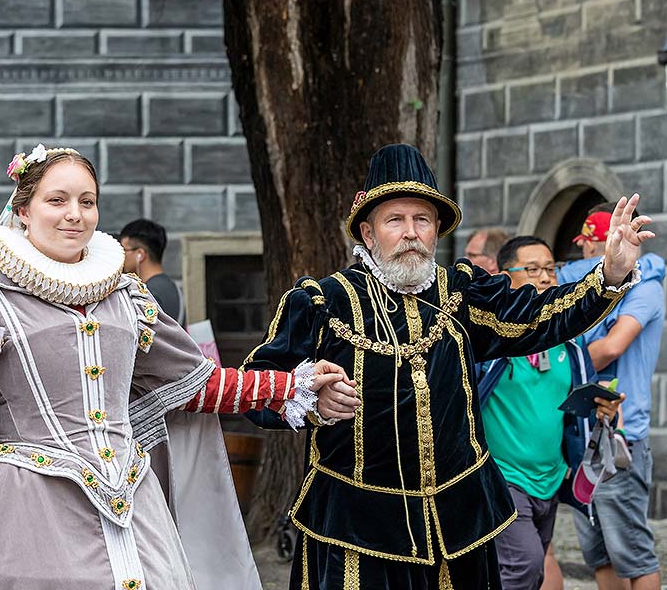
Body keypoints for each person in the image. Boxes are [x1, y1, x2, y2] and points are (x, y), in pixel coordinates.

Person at [0, 144, 360, 590]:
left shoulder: (128, 298)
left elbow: (195, 385)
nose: (75, 214)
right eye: (58, 200)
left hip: (134, 503)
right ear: (23, 211)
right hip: (28, 514)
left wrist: (291, 386)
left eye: (87, 201)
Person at [242, 143, 650, 589]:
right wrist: (307, 394)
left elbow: (536, 318)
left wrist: (608, 276)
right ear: (368, 232)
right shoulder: (322, 301)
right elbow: (254, 386)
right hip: (357, 529)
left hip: (458, 527)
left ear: (437, 229)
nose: (411, 232)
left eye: (422, 220)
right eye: (395, 220)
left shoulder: (461, 291)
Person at [477, 236, 623, 590]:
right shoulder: (487, 344)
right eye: (532, 270)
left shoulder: (570, 342)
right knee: (523, 567)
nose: (545, 278)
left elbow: (581, 408)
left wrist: (605, 410)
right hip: (502, 479)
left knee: (533, 568)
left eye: (550, 269)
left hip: (551, 478)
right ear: (505, 278)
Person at [559, 207, 663, 590]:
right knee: (598, 553)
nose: (586, 255)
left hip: (619, 442)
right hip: (581, 436)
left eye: (589, 245)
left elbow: (610, 348)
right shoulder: (588, 285)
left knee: (634, 555)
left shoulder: (647, 288)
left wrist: (557, 358)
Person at [119, 218, 185, 326]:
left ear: (140, 254)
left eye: (123, 250)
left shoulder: (148, 293)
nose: (121, 256)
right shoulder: (173, 287)